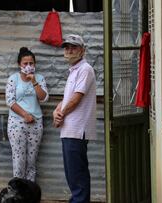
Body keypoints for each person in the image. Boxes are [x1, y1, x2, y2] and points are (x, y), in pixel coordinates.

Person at [52, 34, 96, 203]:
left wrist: (60, 115)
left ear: (82, 51)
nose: (69, 50)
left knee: (77, 175)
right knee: (72, 174)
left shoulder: (85, 69)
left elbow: (77, 98)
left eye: (74, 47)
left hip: (77, 131)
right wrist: (56, 111)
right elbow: (67, 98)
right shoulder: (74, 71)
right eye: (67, 47)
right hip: (69, 130)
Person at [5, 47, 49, 182]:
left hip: (36, 124)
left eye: (31, 63)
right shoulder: (13, 79)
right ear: (20, 65)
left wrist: (33, 81)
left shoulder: (39, 79)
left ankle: (30, 193)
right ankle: (18, 194)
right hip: (16, 123)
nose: (28, 66)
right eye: (25, 63)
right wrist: (25, 115)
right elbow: (10, 101)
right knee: (19, 160)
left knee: (31, 161)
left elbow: (43, 98)